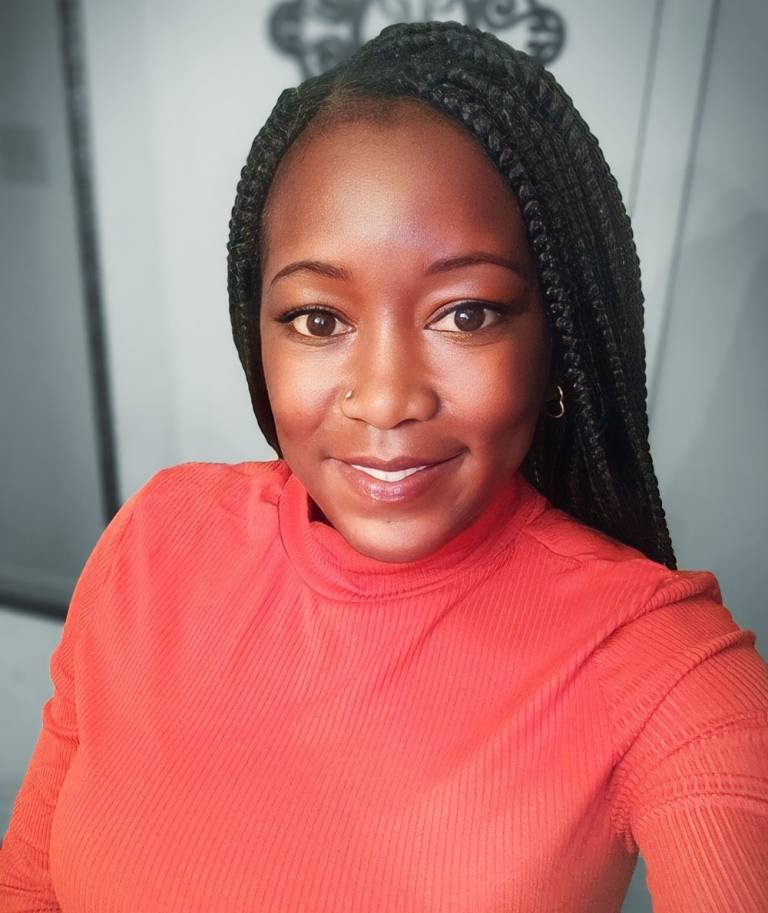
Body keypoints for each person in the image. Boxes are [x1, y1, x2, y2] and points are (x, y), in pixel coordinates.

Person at [1, 19, 767, 913]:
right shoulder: (159, 537)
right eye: (320, 319)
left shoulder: (657, 660)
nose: (387, 397)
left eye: (466, 313)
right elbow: (30, 882)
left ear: (553, 340)